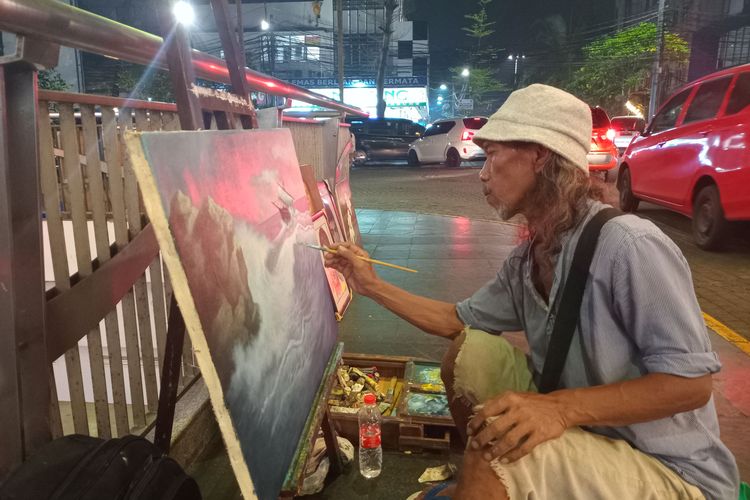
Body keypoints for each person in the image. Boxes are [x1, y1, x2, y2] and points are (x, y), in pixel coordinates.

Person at [325, 84, 739, 500]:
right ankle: (490, 479)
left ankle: (494, 475)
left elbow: (692, 386)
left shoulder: (630, 245)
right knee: (471, 352)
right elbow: (454, 320)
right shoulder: (528, 259)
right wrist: (370, 285)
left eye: (494, 155)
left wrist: (559, 409)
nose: (483, 174)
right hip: (587, 428)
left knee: (497, 452)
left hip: (668, 468)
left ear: (540, 155)